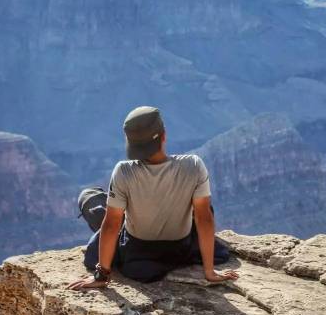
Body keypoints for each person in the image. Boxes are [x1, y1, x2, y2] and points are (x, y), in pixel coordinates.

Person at [68, 106, 238, 289]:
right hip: (180, 248)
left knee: (89, 198)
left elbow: (111, 225)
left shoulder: (123, 171)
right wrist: (209, 272)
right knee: (204, 206)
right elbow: (204, 219)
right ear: (163, 136)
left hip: (137, 254)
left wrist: (101, 276)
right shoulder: (194, 166)